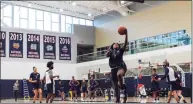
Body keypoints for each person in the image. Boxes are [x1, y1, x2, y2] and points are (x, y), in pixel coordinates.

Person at [106, 28, 128, 103]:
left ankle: (121, 85)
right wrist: (108, 50)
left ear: (118, 46)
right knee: (115, 87)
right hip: (113, 69)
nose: (115, 44)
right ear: (112, 46)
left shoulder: (120, 51)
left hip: (121, 67)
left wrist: (126, 34)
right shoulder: (110, 52)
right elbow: (106, 55)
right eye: (114, 44)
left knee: (119, 75)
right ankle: (118, 98)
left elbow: (125, 43)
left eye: (116, 44)